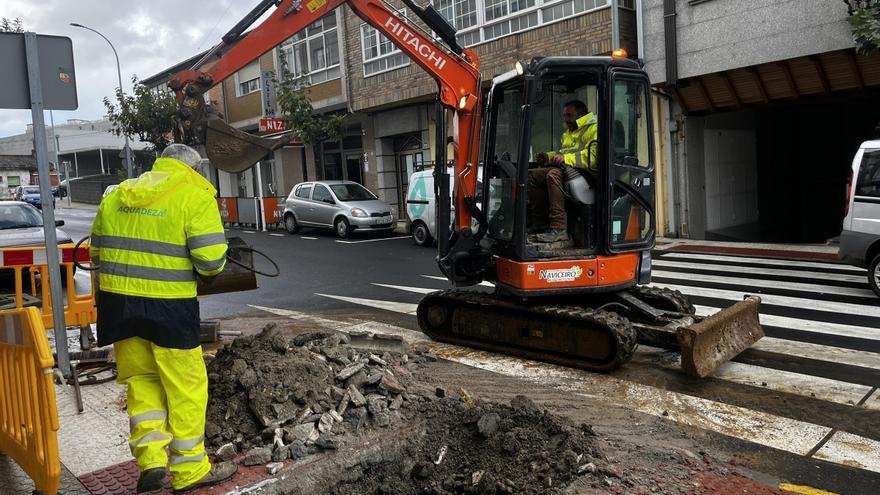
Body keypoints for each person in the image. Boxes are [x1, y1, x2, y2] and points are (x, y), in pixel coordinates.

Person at [89, 144, 236, 493]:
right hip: (169, 309)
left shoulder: (117, 196)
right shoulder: (194, 196)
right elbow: (211, 262)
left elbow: (96, 251)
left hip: (119, 306)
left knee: (141, 381)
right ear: (195, 169)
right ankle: (189, 470)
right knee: (185, 387)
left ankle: (151, 461)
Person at [528, 100, 598, 243]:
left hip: (590, 174)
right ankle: (540, 223)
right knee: (533, 176)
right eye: (565, 116)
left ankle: (559, 228)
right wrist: (548, 156)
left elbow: (593, 157)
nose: (566, 119)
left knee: (553, 175)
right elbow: (564, 152)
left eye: (569, 116)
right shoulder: (569, 133)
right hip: (570, 170)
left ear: (581, 114)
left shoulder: (594, 128)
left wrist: (565, 158)